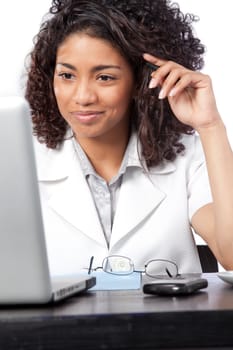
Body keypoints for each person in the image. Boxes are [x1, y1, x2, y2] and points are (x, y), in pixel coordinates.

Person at [25, 0, 233, 276]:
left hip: (169, 321)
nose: (83, 97)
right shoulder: (22, 163)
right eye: (66, 75)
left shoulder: (188, 157)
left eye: (105, 77)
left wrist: (210, 126)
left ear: (141, 80)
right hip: (53, 322)